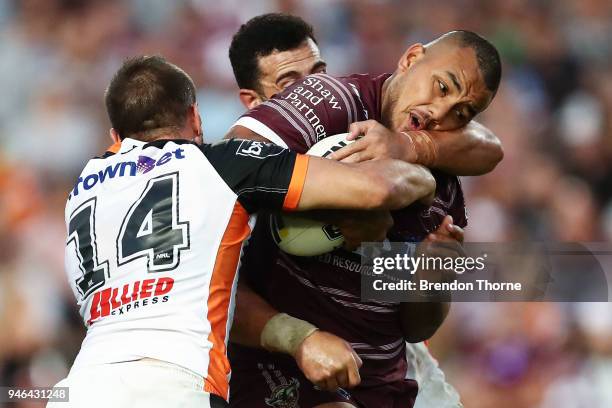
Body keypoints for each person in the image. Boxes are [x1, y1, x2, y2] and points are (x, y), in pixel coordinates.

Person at [50, 55, 437, 408]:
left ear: (115, 138)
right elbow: (375, 189)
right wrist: (423, 170)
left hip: (81, 387)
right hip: (175, 384)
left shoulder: (81, 187)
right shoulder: (222, 165)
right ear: (196, 118)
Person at [226, 17, 501, 408]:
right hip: (287, 368)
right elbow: (226, 165)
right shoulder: (329, 103)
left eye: (463, 112)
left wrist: (431, 278)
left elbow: (414, 324)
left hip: (385, 378)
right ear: (410, 59)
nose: (441, 111)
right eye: (441, 87)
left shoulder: (447, 181)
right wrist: (339, 206)